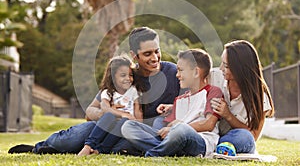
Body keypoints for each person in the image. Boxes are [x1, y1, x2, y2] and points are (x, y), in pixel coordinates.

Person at [8, 26, 181, 155]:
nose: (154, 58)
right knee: (76, 137)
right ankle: (40, 147)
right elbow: (89, 112)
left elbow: (192, 101)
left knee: (124, 146)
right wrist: (111, 113)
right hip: (109, 125)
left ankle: (89, 149)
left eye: (157, 52)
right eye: (147, 54)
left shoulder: (174, 73)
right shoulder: (126, 75)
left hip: (138, 134)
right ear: (134, 55)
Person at [121, 49, 223, 157]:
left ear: (196, 72)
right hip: (175, 138)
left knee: (181, 130)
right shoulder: (179, 100)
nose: (177, 75)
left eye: (180, 70)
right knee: (128, 126)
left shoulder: (212, 92)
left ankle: (154, 153)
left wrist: (176, 127)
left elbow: (209, 124)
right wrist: (170, 126)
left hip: (200, 140)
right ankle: (169, 151)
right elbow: (168, 126)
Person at [211, 40, 274, 154]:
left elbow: (253, 136)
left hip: (232, 139)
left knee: (245, 138)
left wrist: (228, 115)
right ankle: (213, 145)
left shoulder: (260, 97)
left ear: (239, 69)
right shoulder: (213, 76)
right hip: (209, 132)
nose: (221, 68)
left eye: (226, 66)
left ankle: (216, 146)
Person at [77, 56, 142, 156]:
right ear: (112, 77)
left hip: (124, 126)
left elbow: (138, 112)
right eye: (123, 75)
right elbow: (105, 109)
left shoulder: (133, 91)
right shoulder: (107, 92)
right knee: (108, 116)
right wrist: (123, 114)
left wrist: (137, 122)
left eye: (130, 75)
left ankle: (99, 150)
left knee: (124, 122)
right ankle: (88, 146)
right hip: (109, 123)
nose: (128, 79)